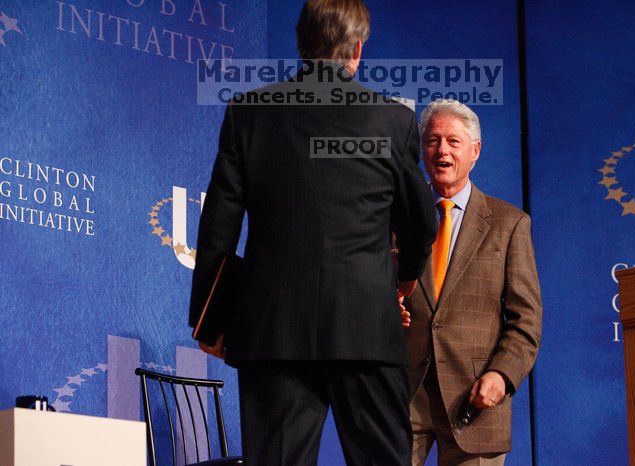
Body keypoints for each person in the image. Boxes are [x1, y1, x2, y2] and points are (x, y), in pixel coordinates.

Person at [188, 1, 436, 465]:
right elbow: (421, 221)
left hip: (274, 332)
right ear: (357, 49)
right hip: (365, 328)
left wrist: (209, 317)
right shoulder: (391, 120)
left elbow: (218, 225)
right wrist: (403, 279)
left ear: (301, 44)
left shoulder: (250, 114)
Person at [403, 99, 542, 466]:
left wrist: (502, 373)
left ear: (475, 150)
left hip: (474, 399)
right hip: (404, 394)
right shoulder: (397, 218)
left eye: (453, 141)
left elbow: (526, 320)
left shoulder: (508, 223)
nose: (441, 150)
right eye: (432, 141)